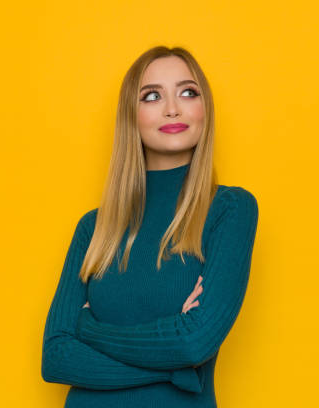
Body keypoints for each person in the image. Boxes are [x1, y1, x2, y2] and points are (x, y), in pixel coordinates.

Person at [41, 45, 259, 407]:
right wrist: (175, 369)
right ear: (132, 116)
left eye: (188, 92)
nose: (172, 107)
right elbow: (56, 358)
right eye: (152, 96)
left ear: (205, 110)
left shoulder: (229, 210)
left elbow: (194, 342)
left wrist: (88, 329)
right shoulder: (93, 228)